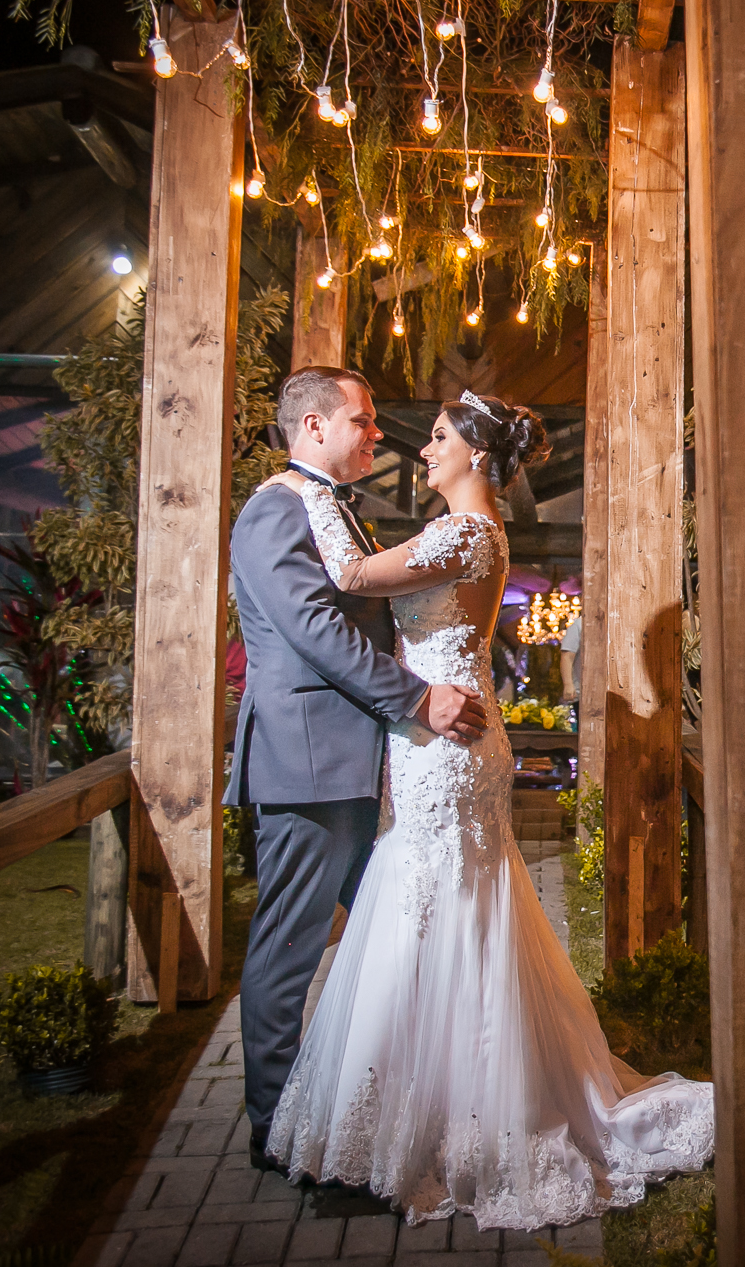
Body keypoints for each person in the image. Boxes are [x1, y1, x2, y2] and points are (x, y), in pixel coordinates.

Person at [259, 389, 714, 1228]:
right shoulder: (465, 531)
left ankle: (452, 1114)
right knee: (442, 907)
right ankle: (438, 1098)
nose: (424, 448)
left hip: (448, 743)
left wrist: (302, 487)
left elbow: (351, 574)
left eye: (438, 436)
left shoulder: (466, 533)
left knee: (433, 906)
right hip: (436, 735)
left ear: (474, 451)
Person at [226, 367, 489, 1180]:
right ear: (313, 426)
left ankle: (375, 1110)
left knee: (392, 935)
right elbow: (313, 629)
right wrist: (416, 697)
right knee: (292, 944)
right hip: (308, 763)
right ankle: (275, 1124)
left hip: (358, 761)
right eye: (363, 420)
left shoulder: (334, 508)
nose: (378, 433)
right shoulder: (276, 509)